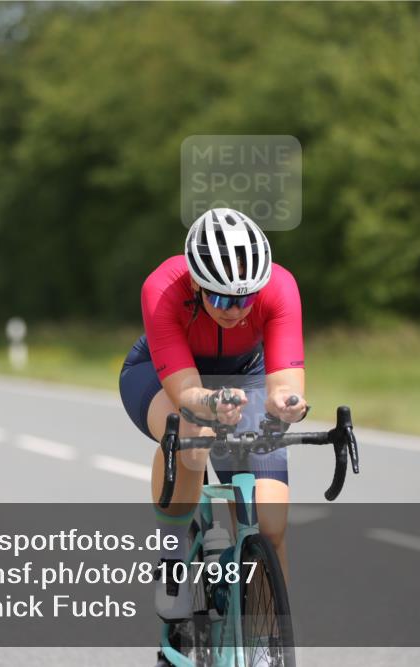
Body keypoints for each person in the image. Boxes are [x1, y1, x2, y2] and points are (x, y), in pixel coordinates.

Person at [118, 208, 308, 662]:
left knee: (271, 522)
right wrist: (211, 404)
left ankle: (265, 644)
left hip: (248, 373)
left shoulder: (280, 286)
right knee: (192, 428)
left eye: (245, 299)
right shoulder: (162, 288)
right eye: (221, 300)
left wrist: (286, 405)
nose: (236, 310)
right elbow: (185, 391)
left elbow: (284, 383)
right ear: (197, 284)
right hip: (166, 375)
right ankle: (172, 557)